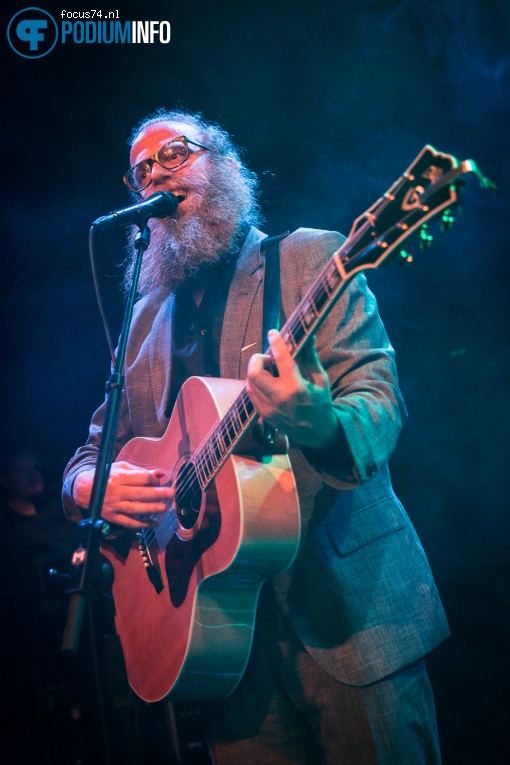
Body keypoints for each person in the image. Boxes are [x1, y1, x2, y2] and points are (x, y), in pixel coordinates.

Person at [62, 109, 449, 764]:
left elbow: (380, 407)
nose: (155, 172)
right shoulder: (143, 317)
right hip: (216, 644)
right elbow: (93, 451)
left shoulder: (309, 257)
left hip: (347, 614)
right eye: (141, 171)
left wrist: (317, 420)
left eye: (175, 153)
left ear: (225, 163)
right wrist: (85, 488)